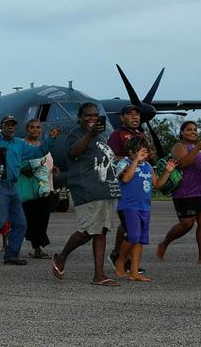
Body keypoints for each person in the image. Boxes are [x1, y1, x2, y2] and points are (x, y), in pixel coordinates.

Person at [51, 102, 120, 286]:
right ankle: (61, 257)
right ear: (80, 118)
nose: (92, 118)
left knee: (101, 231)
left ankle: (99, 275)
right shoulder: (76, 134)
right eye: (88, 115)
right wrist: (90, 134)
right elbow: (73, 153)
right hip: (87, 189)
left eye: (95, 115)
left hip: (104, 188)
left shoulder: (102, 136)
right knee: (87, 231)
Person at [0, 115, 57, 266]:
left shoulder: (19, 144)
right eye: (7, 124)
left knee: (20, 223)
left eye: (13, 124)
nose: (10, 127)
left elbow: (37, 152)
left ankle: (11, 255)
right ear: (2, 126)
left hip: (13, 186)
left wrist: (51, 140)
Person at [114, 137, 176, 282]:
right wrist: (135, 160)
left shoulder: (148, 166)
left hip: (144, 207)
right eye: (140, 150)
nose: (144, 153)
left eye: (145, 151)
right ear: (130, 152)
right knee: (133, 236)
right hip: (129, 206)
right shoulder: (124, 162)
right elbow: (125, 179)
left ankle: (135, 272)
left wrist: (167, 172)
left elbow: (157, 185)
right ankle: (120, 260)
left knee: (140, 240)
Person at [156, 121, 201, 264]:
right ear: (182, 132)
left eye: (195, 129)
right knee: (186, 224)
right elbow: (183, 163)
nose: (193, 132)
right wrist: (197, 148)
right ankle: (164, 243)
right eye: (188, 129)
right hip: (187, 193)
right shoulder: (180, 146)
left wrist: (198, 148)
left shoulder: (197, 147)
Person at [107, 104, 147, 271]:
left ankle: (119, 253)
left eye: (137, 114)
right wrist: (131, 160)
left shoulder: (142, 134)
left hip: (140, 183)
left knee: (130, 222)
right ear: (122, 117)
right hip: (125, 181)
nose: (135, 117)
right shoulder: (117, 134)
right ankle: (123, 259)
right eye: (130, 114)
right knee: (128, 220)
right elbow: (112, 156)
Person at [19, 119, 58, 259]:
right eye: (32, 127)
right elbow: (20, 164)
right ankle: (37, 248)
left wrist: (53, 168)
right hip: (31, 188)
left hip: (46, 187)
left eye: (38, 127)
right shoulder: (22, 144)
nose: (35, 130)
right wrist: (26, 170)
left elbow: (46, 163)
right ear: (27, 129)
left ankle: (38, 246)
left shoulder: (44, 145)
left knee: (43, 219)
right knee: (32, 218)